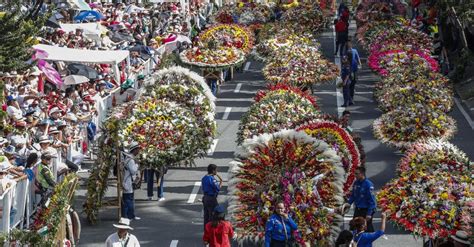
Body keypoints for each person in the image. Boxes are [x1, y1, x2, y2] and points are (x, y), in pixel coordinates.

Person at [345, 166, 377, 232]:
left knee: (367, 228)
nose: (355, 175)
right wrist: (348, 203)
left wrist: (369, 213)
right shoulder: (356, 183)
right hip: (358, 209)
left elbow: (372, 201)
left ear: (362, 174)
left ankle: (368, 241)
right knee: (353, 226)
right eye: (355, 173)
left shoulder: (368, 185)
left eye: (357, 173)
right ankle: (354, 241)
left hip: (365, 210)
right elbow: (353, 195)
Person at [122, 142, 141, 220]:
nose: (138, 151)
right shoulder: (130, 159)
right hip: (127, 182)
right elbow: (133, 171)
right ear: (134, 150)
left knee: (129, 199)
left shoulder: (130, 158)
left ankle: (130, 215)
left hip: (128, 181)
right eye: (137, 149)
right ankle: (127, 216)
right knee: (128, 200)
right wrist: (137, 165)